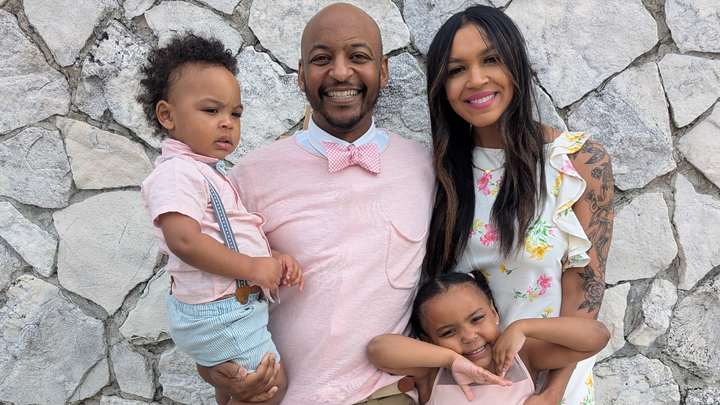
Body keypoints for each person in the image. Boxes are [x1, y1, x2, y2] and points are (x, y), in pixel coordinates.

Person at [203, 3, 436, 405]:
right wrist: (214, 373)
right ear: (301, 75)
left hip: (385, 393)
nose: (341, 72)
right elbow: (206, 295)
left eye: (358, 56)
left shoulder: (424, 168)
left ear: (382, 71)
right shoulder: (251, 176)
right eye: (322, 59)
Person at [422, 6, 614, 405]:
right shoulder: (437, 173)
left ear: (517, 66)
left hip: (553, 388)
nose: (476, 79)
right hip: (471, 392)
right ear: (442, 87)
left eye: (491, 60)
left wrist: (552, 393)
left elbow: (585, 291)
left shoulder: (578, 162)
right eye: (457, 70)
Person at [137, 34, 304, 405]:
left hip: (221, 309)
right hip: (221, 312)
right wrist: (252, 268)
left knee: (234, 385)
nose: (227, 123)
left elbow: (229, 234)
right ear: (167, 115)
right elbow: (184, 241)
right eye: (212, 111)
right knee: (269, 384)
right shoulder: (178, 172)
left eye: (235, 114)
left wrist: (272, 258)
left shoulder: (204, 171)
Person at [368, 270, 610, 404]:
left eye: (476, 319)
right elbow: (378, 349)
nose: (469, 336)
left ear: (494, 313)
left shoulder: (520, 359)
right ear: (429, 341)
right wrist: (450, 361)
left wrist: (523, 328)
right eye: (449, 332)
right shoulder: (434, 372)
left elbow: (597, 337)